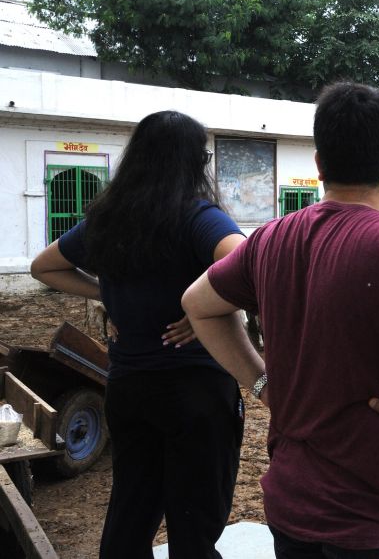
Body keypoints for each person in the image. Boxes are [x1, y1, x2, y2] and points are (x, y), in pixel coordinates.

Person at [181, 82, 379, 558]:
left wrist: (260, 384)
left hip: (293, 511)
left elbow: (198, 304)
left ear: (319, 164)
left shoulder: (269, 239)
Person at [30, 111, 246, 559]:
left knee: (131, 513)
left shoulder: (108, 219)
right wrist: (206, 303)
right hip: (197, 392)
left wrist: (104, 293)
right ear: (193, 162)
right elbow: (250, 264)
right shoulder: (197, 217)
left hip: (129, 389)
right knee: (195, 524)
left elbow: (44, 266)